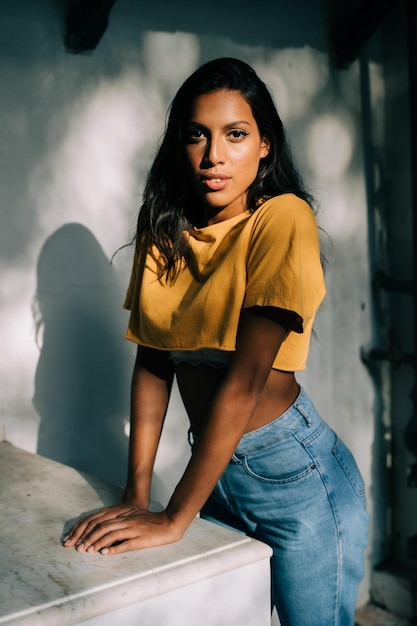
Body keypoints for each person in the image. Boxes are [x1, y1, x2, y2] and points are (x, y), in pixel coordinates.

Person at [63, 57, 369, 625]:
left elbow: (247, 378)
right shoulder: (163, 229)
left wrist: (175, 516)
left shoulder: (282, 219)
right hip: (215, 470)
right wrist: (137, 494)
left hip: (296, 478)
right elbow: (153, 365)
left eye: (235, 134)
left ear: (265, 147)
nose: (213, 155)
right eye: (197, 135)